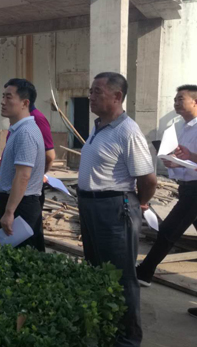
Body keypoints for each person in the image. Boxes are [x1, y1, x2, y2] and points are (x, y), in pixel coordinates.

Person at [78, 72, 157, 347]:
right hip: (91, 206)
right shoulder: (99, 126)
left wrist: (139, 203)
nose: (90, 96)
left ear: (117, 96)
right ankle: (106, 327)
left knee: (121, 274)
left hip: (114, 208)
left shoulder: (128, 131)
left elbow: (148, 180)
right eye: (91, 91)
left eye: (97, 92)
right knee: (97, 268)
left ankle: (128, 338)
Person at [136, 85, 197, 318]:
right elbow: (186, 161)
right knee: (170, 230)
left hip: (195, 190)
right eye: (175, 99)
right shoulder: (181, 128)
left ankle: (145, 272)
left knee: (168, 230)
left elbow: (192, 158)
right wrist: (173, 162)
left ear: (195, 102)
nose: (176, 102)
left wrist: (189, 156)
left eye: (181, 99)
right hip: (187, 187)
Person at [0, 78, 46, 251]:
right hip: (17, 202)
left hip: (21, 206)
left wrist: (9, 212)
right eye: (3, 96)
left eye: (9, 97)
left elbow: (23, 175)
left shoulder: (26, 133)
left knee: (23, 257)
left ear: (25, 103)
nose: (3, 102)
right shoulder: (18, 130)